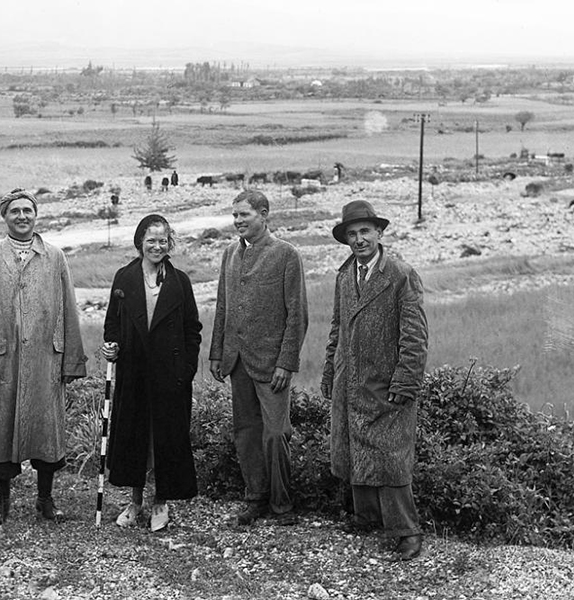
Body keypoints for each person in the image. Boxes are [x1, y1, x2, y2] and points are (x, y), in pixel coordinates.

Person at [0, 188, 87, 524]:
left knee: (47, 432)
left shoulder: (54, 256)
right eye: (15, 211)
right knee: (0, 430)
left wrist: (71, 360)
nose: (22, 217)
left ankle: (45, 500)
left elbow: (69, 309)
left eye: (27, 211)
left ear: (36, 215)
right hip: (4, 362)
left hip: (45, 361)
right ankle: (1, 502)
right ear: (4, 217)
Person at [320, 200, 428, 561]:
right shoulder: (344, 275)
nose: (359, 239)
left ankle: (407, 531)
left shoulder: (400, 274)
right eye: (352, 233)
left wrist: (405, 383)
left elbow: (414, 336)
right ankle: (366, 518)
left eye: (365, 231)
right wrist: (329, 371)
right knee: (354, 450)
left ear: (379, 233)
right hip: (350, 380)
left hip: (387, 385)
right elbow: (337, 327)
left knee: (391, 458)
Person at [209, 189, 308, 526]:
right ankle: (255, 499)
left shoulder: (286, 255)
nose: (238, 221)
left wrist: (286, 362)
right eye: (235, 215)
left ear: (264, 214)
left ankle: (282, 504)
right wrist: (216, 353)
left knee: (277, 433)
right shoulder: (229, 255)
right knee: (246, 432)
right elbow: (222, 305)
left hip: (272, 365)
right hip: (236, 362)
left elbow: (297, 315)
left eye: (245, 215)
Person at [101, 215, 202, 532]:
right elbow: (112, 326)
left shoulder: (180, 281)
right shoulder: (124, 278)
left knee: (166, 439)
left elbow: (192, 331)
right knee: (134, 437)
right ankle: (134, 502)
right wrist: (111, 349)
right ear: (139, 242)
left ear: (169, 244)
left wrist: (185, 370)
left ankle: (161, 501)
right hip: (133, 373)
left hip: (169, 375)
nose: (157, 246)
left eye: (162, 241)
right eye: (151, 240)